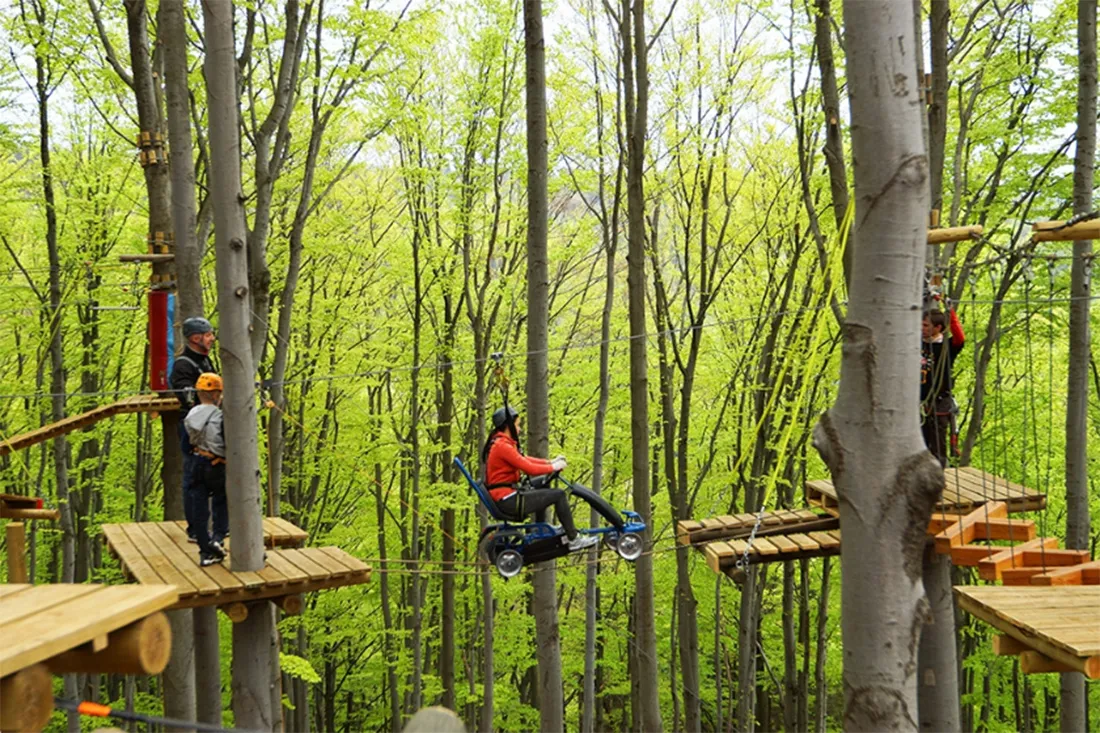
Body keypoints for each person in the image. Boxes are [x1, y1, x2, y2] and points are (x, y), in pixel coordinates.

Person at [481, 406, 598, 551]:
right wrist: (553, 467)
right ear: (508, 426)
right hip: (509, 500)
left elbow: (524, 459)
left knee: (543, 481)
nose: (519, 429)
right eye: (517, 425)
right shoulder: (502, 446)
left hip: (507, 495)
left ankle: (539, 529)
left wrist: (550, 462)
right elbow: (529, 468)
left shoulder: (502, 443)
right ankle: (573, 539)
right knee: (559, 495)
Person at [168, 317, 218, 542]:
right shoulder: (183, 365)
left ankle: (216, 526)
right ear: (196, 338)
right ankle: (196, 529)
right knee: (194, 477)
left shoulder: (205, 361)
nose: (212, 339)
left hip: (211, 426)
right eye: (208, 335)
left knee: (213, 476)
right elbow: (186, 397)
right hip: (194, 429)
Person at [184, 373, 230, 566]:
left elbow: (186, 441)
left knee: (199, 507)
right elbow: (227, 441)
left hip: (196, 462)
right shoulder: (220, 417)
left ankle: (205, 550)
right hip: (216, 464)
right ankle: (218, 538)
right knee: (221, 500)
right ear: (216, 394)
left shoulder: (191, 414)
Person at [921, 306, 965, 466]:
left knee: (937, 445)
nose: (921, 328)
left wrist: (950, 311)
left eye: (926, 325)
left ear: (938, 327)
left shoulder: (947, 347)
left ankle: (937, 475)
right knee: (919, 444)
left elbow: (960, 338)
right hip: (918, 403)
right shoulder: (917, 344)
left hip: (938, 402)